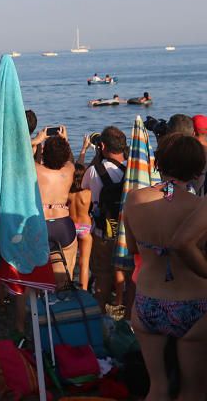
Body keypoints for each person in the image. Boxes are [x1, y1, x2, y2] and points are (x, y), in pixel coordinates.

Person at [123, 134, 207, 401]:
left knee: (157, 388)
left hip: (148, 302)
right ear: (198, 168)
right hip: (194, 305)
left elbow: (133, 248)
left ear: (158, 163)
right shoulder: (200, 207)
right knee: (193, 390)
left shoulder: (135, 199)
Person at [81, 125, 129, 308]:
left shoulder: (95, 171)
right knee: (126, 272)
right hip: (127, 233)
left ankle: (100, 311)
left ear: (101, 146)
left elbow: (84, 187)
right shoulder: (133, 169)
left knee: (102, 273)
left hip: (104, 233)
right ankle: (122, 308)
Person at [36, 131, 78, 284]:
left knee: (37, 267)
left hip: (41, 223)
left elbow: (21, 154)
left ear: (45, 154)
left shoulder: (36, 170)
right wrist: (65, 140)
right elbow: (69, 159)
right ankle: (66, 298)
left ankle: (42, 299)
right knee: (68, 266)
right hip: (63, 224)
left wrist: (37, 141)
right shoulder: (69, 170)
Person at [69, 163, 93, 291]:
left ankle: (68, 289)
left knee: (70, 262)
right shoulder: (88, 193)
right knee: (84, 263)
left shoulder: (68, 194)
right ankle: (83, 291)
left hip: (70, 227)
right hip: (85, 228)